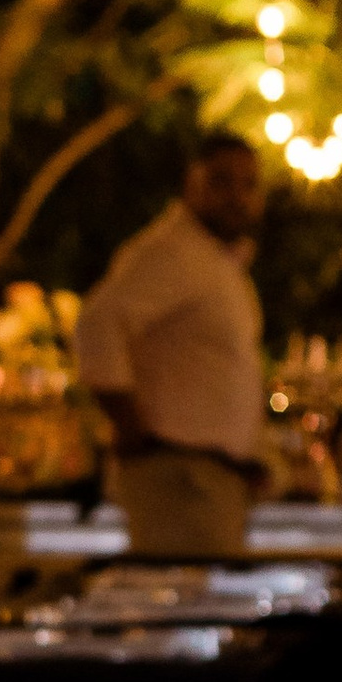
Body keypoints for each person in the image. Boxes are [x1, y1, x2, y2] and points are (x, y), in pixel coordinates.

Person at [74, 132, 269, 554]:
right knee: (189, 612)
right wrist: (133, 428)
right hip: (178, 477)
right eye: (221, 181)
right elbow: (97, 325)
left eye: (248, 184)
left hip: (208, 478)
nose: (236, 195)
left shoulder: (216, 261)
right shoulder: (173, 252)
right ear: (190, 183)